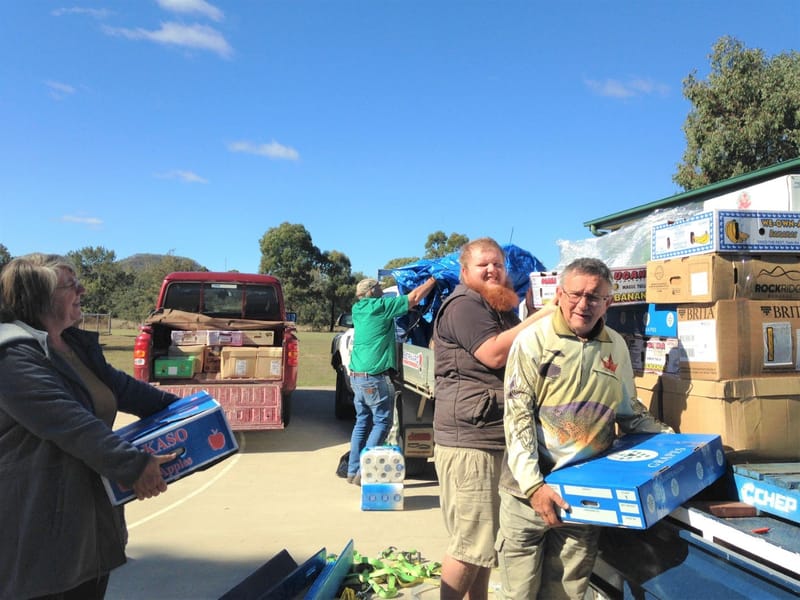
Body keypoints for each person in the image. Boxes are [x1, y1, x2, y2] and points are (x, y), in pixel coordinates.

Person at [0, 254, 182, 600]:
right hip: (36, 531)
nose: (82, 290)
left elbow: (125, 390)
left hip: (86, 528)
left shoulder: (72, 346)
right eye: (70, 285)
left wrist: (190, 410)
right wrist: (134, 465)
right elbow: (69, 423)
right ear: (39, 297)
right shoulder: (10, 356)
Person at [496, 257, 673, 599]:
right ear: (559, 294)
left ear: (608, 302)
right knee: (518, 594)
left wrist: (673, 442)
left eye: (594, 297)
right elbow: (517, 417)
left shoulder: (616, 346)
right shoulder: (533, 341)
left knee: (567, 593)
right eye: (576, 294)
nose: (583, 304)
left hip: (583, 496)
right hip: (527, 495)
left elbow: (628, 411)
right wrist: (534, 487)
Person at [432, 237, 555, 600]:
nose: (491, 270)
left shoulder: (496, 304)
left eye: (498, 264)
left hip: (492, 435)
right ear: (465, 270)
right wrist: (541, 317)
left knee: (485, 546)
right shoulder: (464, 305)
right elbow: (494, 354)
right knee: (469, 546)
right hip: (470, 443)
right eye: (483, 264)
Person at [346, 274, 438, 485]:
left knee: (362, 422)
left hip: (357, 377)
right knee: (382, 421)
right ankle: (364, 470)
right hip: (374, 378)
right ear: (371, 293)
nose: (381, 291)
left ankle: (353, 471)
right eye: (378, 288)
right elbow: (414, 297)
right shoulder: (379, 306)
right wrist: (433, 280)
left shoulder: (358, 309)